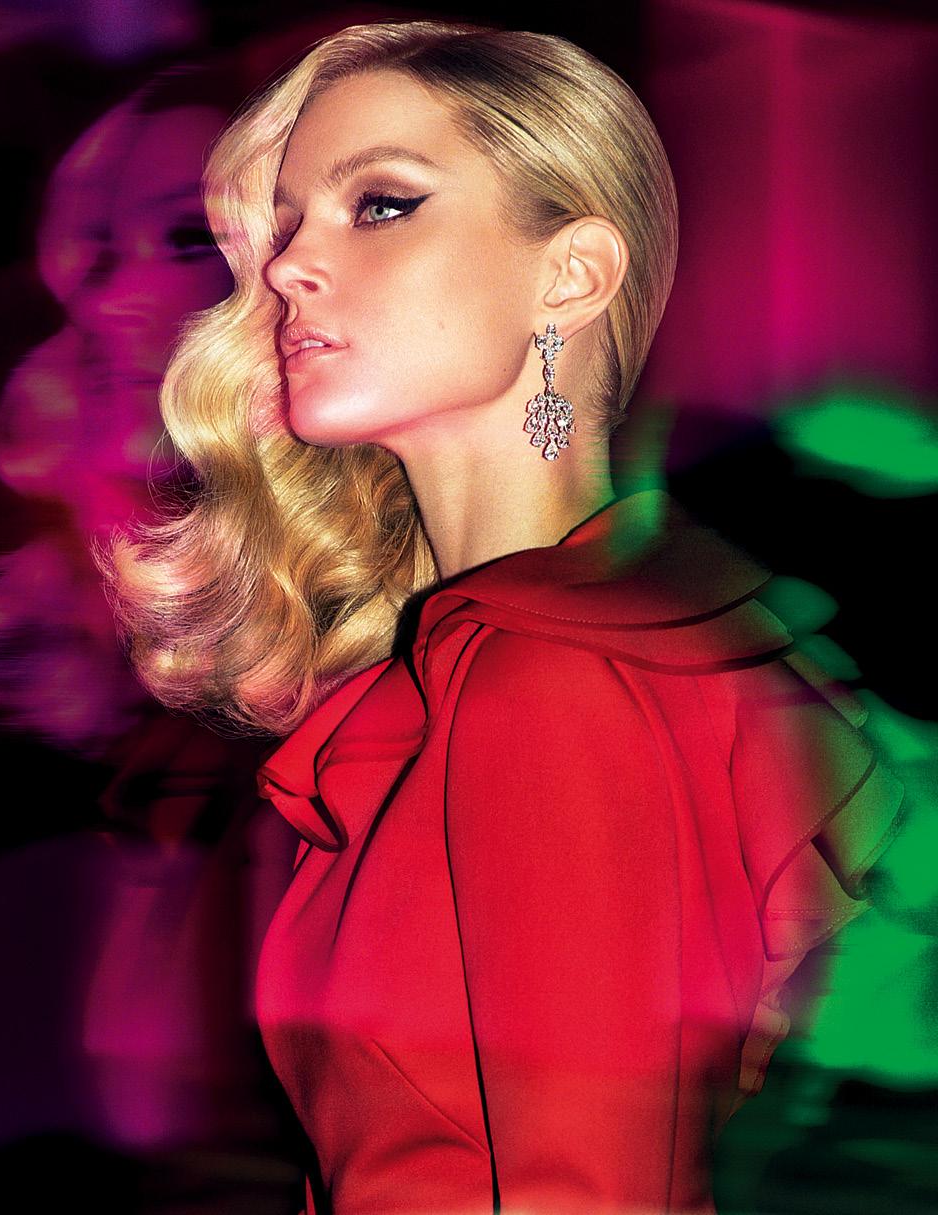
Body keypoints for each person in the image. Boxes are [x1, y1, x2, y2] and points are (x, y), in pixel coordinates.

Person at [95, 19, 908, 1214]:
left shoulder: (548, 676)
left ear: (569, 276)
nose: (285, 268)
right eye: (285, 222)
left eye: (381, 204)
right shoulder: (558, 651)